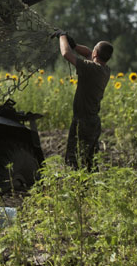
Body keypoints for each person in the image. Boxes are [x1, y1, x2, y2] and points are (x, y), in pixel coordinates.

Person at [54, 31, 113, 169]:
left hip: (83, 122)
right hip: (93, 122)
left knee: (74, 160)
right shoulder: (105, 69)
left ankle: (78, 186)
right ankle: (90, 187)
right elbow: (88, 53)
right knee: (89, 161)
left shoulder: (91, 68)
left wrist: (62, 37)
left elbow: (66, 54)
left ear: (95, 54)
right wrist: (73, 44)